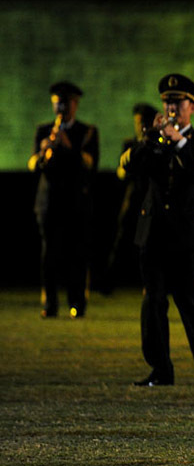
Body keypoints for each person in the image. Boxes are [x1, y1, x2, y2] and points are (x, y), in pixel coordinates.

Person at [120, 73, 194, 387]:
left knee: (191, 302)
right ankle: (160, 369)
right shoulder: (153, 140)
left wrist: (179, 140)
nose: (172, 108)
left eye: (178, 102)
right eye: (167, 102)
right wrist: (149, 139)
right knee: (153, 302)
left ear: (192, 107)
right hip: (153, 233)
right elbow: (126, 166)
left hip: (189, 234)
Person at [28, 81, 98, 318]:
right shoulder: (43, 130)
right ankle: (50, 303)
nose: (60, 109)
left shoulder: (87, 132)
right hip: (49, 203)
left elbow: (90, 165)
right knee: (49, 255)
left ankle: (77, 302)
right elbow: (32, 165)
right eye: (57, 104)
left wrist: (69, 147)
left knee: (77, 255)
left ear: (75, 104)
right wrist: (44, 151)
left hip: (76, 204)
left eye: (65, 104)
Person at [101, 103, 158, 296]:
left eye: (143, 122)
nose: (139, 126)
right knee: (122, 239)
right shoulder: (131, 145)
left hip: (152, 199)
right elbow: (121, 172)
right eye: (137, 122)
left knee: (151, 243)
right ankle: (109, 282)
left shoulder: (157, 144)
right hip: (133, 198)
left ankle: (150, 282)